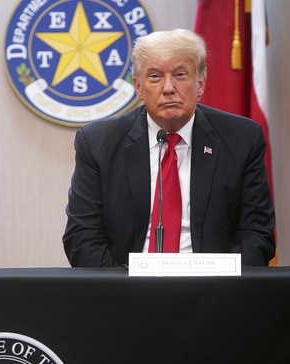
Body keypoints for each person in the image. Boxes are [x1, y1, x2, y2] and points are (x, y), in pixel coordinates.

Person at [63, 29, 275, 267]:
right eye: (154, 76)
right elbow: (82, 237)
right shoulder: (97, 142)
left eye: (180, 75)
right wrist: (121, 291)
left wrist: (221, 288)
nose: (168, 88)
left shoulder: (242, 139)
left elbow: (257, 234)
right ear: (138, 87)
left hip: (215, 291)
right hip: (125, 289)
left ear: (201, 84)